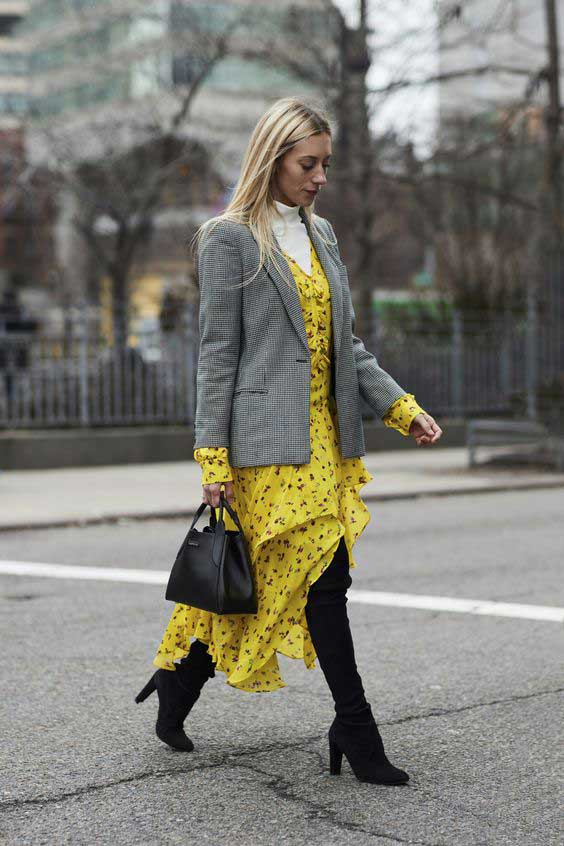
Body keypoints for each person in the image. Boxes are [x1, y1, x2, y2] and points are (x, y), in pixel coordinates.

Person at [136, 96, 443, 785]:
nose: (320, 177)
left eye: (325, 164)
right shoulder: (229, 238)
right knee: (320, 580)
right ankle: (355, 727)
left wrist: (401, 407)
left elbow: (346, 346)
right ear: (273, 160)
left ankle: (179, 681)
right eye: (308, 164)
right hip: (263, 449)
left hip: (325, 443)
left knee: (274, 582)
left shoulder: (322, 234)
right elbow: (218, 354)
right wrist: (212, 457)